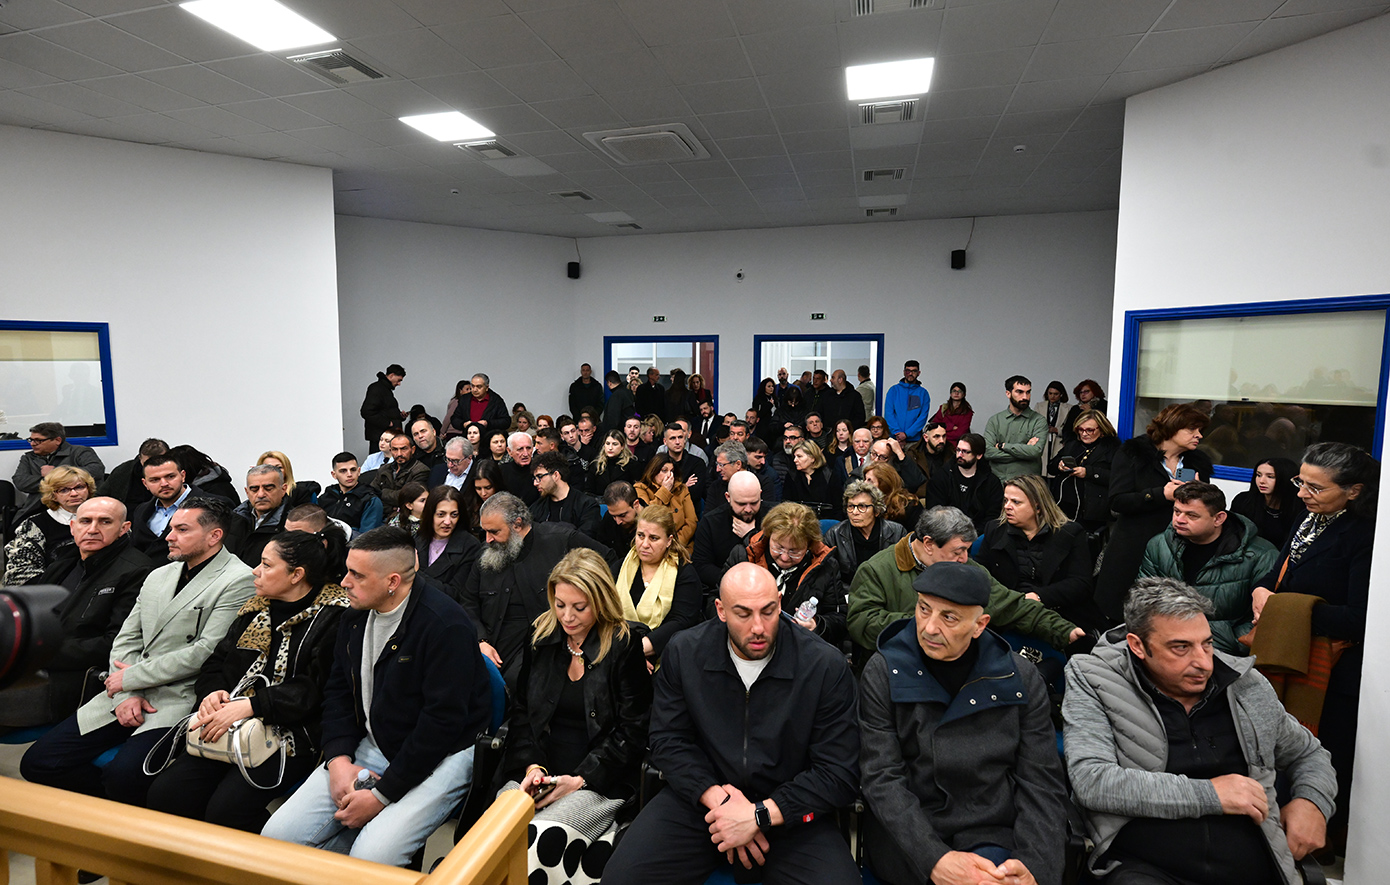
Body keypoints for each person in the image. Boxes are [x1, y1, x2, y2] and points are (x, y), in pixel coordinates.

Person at [601, 562, 861, 885]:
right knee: (622, 878)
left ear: (780, 602)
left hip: (791, 809)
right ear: (721, 610)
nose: (759, 627)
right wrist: (721, 804)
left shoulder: (824, 665)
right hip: (703, 802)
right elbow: (668, 740)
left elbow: (838, 771)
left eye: (769, 611)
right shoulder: (685, 652)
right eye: (743, 614)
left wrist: (758, 816)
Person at [1064, 578, 1337, 885]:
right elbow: (1091, 781)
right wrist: (1211, 794)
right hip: (1145, 865)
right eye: (1180, 647)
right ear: (1137, 645)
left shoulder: (1245, 684)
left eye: (1207, 643)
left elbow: (1308, 753)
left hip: (1250, 863)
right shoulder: (1095, 679)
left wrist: (1312, 802)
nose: (1203, 663)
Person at [260, 526, 491, 865]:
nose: (344, 582)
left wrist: (382, 795)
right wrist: (337, 759)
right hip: (375, 740)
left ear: (392, 581)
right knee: (277, 837)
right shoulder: (354, 617)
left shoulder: (446, 625)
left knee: (372, 857)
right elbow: (338, 693)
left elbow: (441, 724)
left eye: (357, 575)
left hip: (443, 753)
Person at [20, 498, 255, 806]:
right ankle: (114, 812)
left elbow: (205, 651)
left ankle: (129, 819)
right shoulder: (160, 574)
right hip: (125, 689)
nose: (169, 536)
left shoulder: (239, 579)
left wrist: (131, 678)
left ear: (214, 536)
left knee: (124, 777)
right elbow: (126, 638)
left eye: (182, 530)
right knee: (38, 763)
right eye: (171, 528)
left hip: (177, 695)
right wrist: (126, 693)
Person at [860, 561, 1067, 885]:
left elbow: (1040, 782)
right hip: (910, 836)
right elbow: (882, 778)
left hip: (992, 831)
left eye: (949, 617)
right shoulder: (884, 671)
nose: (929, 627)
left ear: (980, 625)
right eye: (923, 609)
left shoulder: (1020, 677)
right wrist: (934, 859)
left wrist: (1035, 868)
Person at [145, 532, 349, 830]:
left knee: (227, 810)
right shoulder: (256, 607)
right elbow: (217, 662)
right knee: (167, 794)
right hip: (232, 724)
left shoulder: (335, 616)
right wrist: (213, 693)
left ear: (296, 575)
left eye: (266, 565)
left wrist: (253, 706)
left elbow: (317, 688)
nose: (255, 571)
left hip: (292, 735)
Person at [1249, 442, 1376, 851]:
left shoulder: (1366, 534)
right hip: (1288, 652)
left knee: (1322, 753)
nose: (1302, 493)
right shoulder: (1308, 517)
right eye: (1300, 482)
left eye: (1315, 488)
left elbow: (1360, 616)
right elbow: (1280, 574)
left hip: (1331, 668)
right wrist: (1261, 589)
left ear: (1354, 491)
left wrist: (1284, 608)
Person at [502, 548, 652, 879]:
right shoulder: (540, 636)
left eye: (579, 607)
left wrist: (581, 780)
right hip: (539, 770)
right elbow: (522, 712)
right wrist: (532, 767)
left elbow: (633, 731)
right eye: (560, 605)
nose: (567, 617)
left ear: (600, 602)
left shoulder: (624, 645)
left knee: (539, 839)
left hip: (598, 779)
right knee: (496, 833)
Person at [846, 506, 1083, 662]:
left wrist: (1064, 631)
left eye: (967, 550)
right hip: (898, 664)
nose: (965, 559)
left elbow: (1010, 605)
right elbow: (861, 622)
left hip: (957, 665)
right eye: (958, 551)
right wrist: (927, 622)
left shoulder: (965, 568)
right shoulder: (877, 570)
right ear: (928, 544)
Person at [0, 498, 151, 728]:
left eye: (105, 522)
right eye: (85, 521)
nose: (92, 529)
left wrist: (41, 654)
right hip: (35, 665)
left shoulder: (137, 571)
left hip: (74, 679)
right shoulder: (63, 563)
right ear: (73, 527)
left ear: (124, 528)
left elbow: (114, 644)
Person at [459, 493, 611, 685]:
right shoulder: (487, 554)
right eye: (485, 532)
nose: (488, 539)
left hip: (541, 646)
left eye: (494, 532)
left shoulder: (560, 540)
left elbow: (609, 561)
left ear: (517, 524)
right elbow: (468, 602)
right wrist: (481, 641)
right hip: (490, 643)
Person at [1094, 403, 1213, 623]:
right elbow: (1117, 501)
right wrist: (1161, 494)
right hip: (1134, 548)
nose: (1199, 435)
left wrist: (1200, 493)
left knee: (1166, 618)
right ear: (1172, 427)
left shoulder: (1197, 462)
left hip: (1178, 550)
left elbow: (1205, 507)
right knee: (1123, 616)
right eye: (1192, 429)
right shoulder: (1133, 454)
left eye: (1200, 430)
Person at [1137, 481, 1278, 655]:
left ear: (1218, 518)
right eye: (1177, 511)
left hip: (1225, 653)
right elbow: (1145, 600)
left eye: (1192, 515)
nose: (1179, 520)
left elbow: (1266, 618)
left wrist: (1230, 644)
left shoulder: (1261, 555)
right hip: (1167, 644)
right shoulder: (1159, 545)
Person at [978, 474, 1104, 633]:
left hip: (1060, 611)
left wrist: (1039, 596)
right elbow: (980, 575)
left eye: (1016, 502)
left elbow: (1080, 584)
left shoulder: (1070, 533)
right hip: (1009, 612)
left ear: (1038, 506)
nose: (1007, 507)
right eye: (1005, 500)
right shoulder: (995, 530)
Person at [726, 502, 846, 646]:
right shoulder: (743, 556)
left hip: (799, 646)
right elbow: (717, 600)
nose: (784, 557)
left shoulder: (826, 567)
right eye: (778, 547)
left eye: (794, 551)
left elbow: (839, 619)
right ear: (769, 536)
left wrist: (817, 625)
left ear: (809, 546)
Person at [615, 504, 703, 665]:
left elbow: (681, 622)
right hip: (619, 651)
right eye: (640, 535)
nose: (644, 544)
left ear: (669, 540)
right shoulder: (620, 568)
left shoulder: (685, 573)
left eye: (653, 538)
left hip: (666, 657)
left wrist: (636, 652)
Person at [4, 465, 94, 585]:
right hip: (55, 587)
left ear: (88, 489)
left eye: (79, 487)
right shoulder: (35, 525)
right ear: (53, 495)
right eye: (64, 490)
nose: (74, 493)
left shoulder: (103, 518)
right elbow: (20, 573)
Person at [128, 454, 218, 559]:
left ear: (183, 476)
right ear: (145, 484)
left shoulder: (214, 506)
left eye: (170, 476)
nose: (164, 484)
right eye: (155, 480)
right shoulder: (141, 510)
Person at [691, 471, 767, 594]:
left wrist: (752, 535)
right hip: (725, 589)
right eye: (741, 504)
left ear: (760, 495)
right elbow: (701, 566)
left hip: (765, 586)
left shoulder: (774, 516)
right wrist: (737, 582)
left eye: (754, 503)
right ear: (728, 497)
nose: (748, 509)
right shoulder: (711, 522)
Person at [1049, 409, 1121, 537]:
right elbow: (1050, 467)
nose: (1084, 434)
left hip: (1092, 510)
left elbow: (1117, 478)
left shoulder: (1112, 449)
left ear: (1102, 430)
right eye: (1080, 430)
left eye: (1090, 430)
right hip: (1063, 506)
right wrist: (1059, 465)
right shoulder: (1073, 445)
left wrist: (1089, 473)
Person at [824, 480, 907, 586]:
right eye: (850, 506)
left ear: (876, 510)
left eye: (862, 507)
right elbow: (829, 578)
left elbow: (903, 572)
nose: (855, 512)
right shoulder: (834, 535)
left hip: (887, 590)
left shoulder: (897, 532)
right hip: (849, 591)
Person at [925, 433, 1004, 534]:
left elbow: (993, 517)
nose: (960, 455)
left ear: (979, 455)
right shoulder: (941, 478)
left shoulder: (991, 482)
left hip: (980, 536)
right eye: (958, 450)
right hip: (947, 534)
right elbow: (935, 513)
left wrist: (974, 535)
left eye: (965, 452)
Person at [414, 485, 482, 596]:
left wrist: (417, 574)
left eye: (454, 515)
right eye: (441, 515)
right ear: (430, 515)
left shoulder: (470, 546)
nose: (447, 522)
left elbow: (455, 593)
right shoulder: (419, 538)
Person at [12, 421, 107, 496]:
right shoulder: (28, 458)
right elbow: (21, 482)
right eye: (31, 440)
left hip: (79, 503)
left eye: (38, 440)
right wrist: (58, 479)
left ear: (57, 440)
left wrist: (56, 473)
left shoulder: (80, 452)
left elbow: (96, 470)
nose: (33, 444)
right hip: (39, 506)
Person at [1230, 457, 1305, 548]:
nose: (1261, 481)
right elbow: (1232, 533)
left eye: (1270, 477)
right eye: (1258, 475)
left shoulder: (1301, 508)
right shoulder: (1243, 501)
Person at [982, 375, 1046, 481]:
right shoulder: (995, 420)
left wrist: (1003, 446)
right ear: (1008, 393)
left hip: (1028, 482)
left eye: (1028, 392)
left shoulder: (1039, 421)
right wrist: (1024, 452)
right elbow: (988, 452)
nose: (1025, 397)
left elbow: (1035, 452)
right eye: (1019, 392)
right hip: (999, 481)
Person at [530, 451, 601, 538]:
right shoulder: (536, 508)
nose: (535, 483)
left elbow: (585, 540)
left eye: (539, 477)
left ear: (556, 475)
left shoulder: (586, 505)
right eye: (534, 478)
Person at [232, 465, 290, 569]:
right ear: (247, 492)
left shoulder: (292, 524)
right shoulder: (232, 519)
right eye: (254, 489)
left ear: (283, 489)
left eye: (268, 488)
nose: (261, 494)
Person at [633, 453, 697, 548]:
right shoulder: (641, 488)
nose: (669, 475)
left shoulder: (682, 489)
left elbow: (691, 522)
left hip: (680, 546)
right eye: (664, 471)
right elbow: (648, 515)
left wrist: (675, 545)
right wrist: (665, 490)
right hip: (651, 545)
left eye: (672, 471)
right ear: (653, 471)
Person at [319, 452, 383, 534]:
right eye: (343, 471)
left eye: (353, 470)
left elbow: (367, 536)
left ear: (359, 471)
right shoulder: (327, 496)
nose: (349, 474)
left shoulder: (370, 500)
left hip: (354, 540)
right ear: (334, 475)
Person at [96, 437, 169, 509]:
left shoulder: (175, 472)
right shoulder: (123, 471)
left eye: (159, 463)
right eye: (147, 463)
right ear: (140, 458)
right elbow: (100, 497)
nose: (154, 467)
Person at [782, 438, 843, 519]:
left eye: (799, 456)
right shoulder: (792, 476)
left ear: (812, 458)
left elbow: (838, 507)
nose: (795, 460)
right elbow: (786, 504)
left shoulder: (829, 475)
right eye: (794, 456)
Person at [863, 461, 922, 533]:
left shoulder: (909, 505)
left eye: (869, 480)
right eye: (865, 479)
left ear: (884, 484)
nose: (864, 484)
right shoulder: (865, 503)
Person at [459, 458, 506, 540]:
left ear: (496, 484)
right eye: (478, 488)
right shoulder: (468, 504)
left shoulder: (508, 504)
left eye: (488, 487)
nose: (483, 493)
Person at [359, 364, 405, 445]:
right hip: (381, 437)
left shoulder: (385, 389)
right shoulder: (377, 388)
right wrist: (388, 423)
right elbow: (367, 412)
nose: (399, 383)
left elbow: (386, 411)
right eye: (399, 380)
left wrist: (400, 416)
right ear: (391, 375)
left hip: (385, 436)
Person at [585, 429, 642, 495]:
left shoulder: (632, 465)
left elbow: (637, 490)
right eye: (607, 444)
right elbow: (588, 491)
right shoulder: (596, 465)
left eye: (615, 444)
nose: (610, 448)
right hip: (599, 500)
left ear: (622, 446)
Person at [1034, 380, 1070, 478]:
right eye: (1050, 393)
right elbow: (1034, 424)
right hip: (1043, 440)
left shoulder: (1068, 408)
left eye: (1056, 394)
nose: (1052, 396)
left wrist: (1057, 430)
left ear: (1061, 394)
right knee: (1042, 471)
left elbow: (1070, 428)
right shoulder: (1039, 406)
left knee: (1055, 470)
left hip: (1058, 441)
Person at [596, 481, 644, 553]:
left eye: (622, 515)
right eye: (613, 516)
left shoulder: (652, 523)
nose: (618, 522)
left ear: (636, 504)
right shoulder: (609, 517)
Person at [905, 421, 951, 495]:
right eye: (937, 436)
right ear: (926, 438)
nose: (942, 441)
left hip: (946, 496)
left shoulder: (951, 453)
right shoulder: (913, 455)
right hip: (922, 496)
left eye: (944, 436)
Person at [499, 430, 541, 505]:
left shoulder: (541, 470)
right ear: (509, 451)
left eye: (528, 448)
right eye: (520, 449)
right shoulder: (501, 471)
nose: (525, 454)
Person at [1061, 378, 1107, 443]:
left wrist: (1091, 412)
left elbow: (1105, 426)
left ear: (1094, 392)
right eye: (1081, 392)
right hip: (1077, 443)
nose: (1083, 394)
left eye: (1086, 391)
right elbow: (1067, 429)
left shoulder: (1104, 405)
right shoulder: (1076, 408)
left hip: (1098, 442)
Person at [929, 381, 973, 446]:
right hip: (940, 444)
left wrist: (942, 434)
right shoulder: (943, 408)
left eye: (959, 391)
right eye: (954, 391)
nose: (956, 393)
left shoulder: (967, 412)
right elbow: (935, 426)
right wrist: (951, 427)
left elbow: (960, 433)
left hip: (957, 445)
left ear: (964, 394)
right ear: (950, 394)